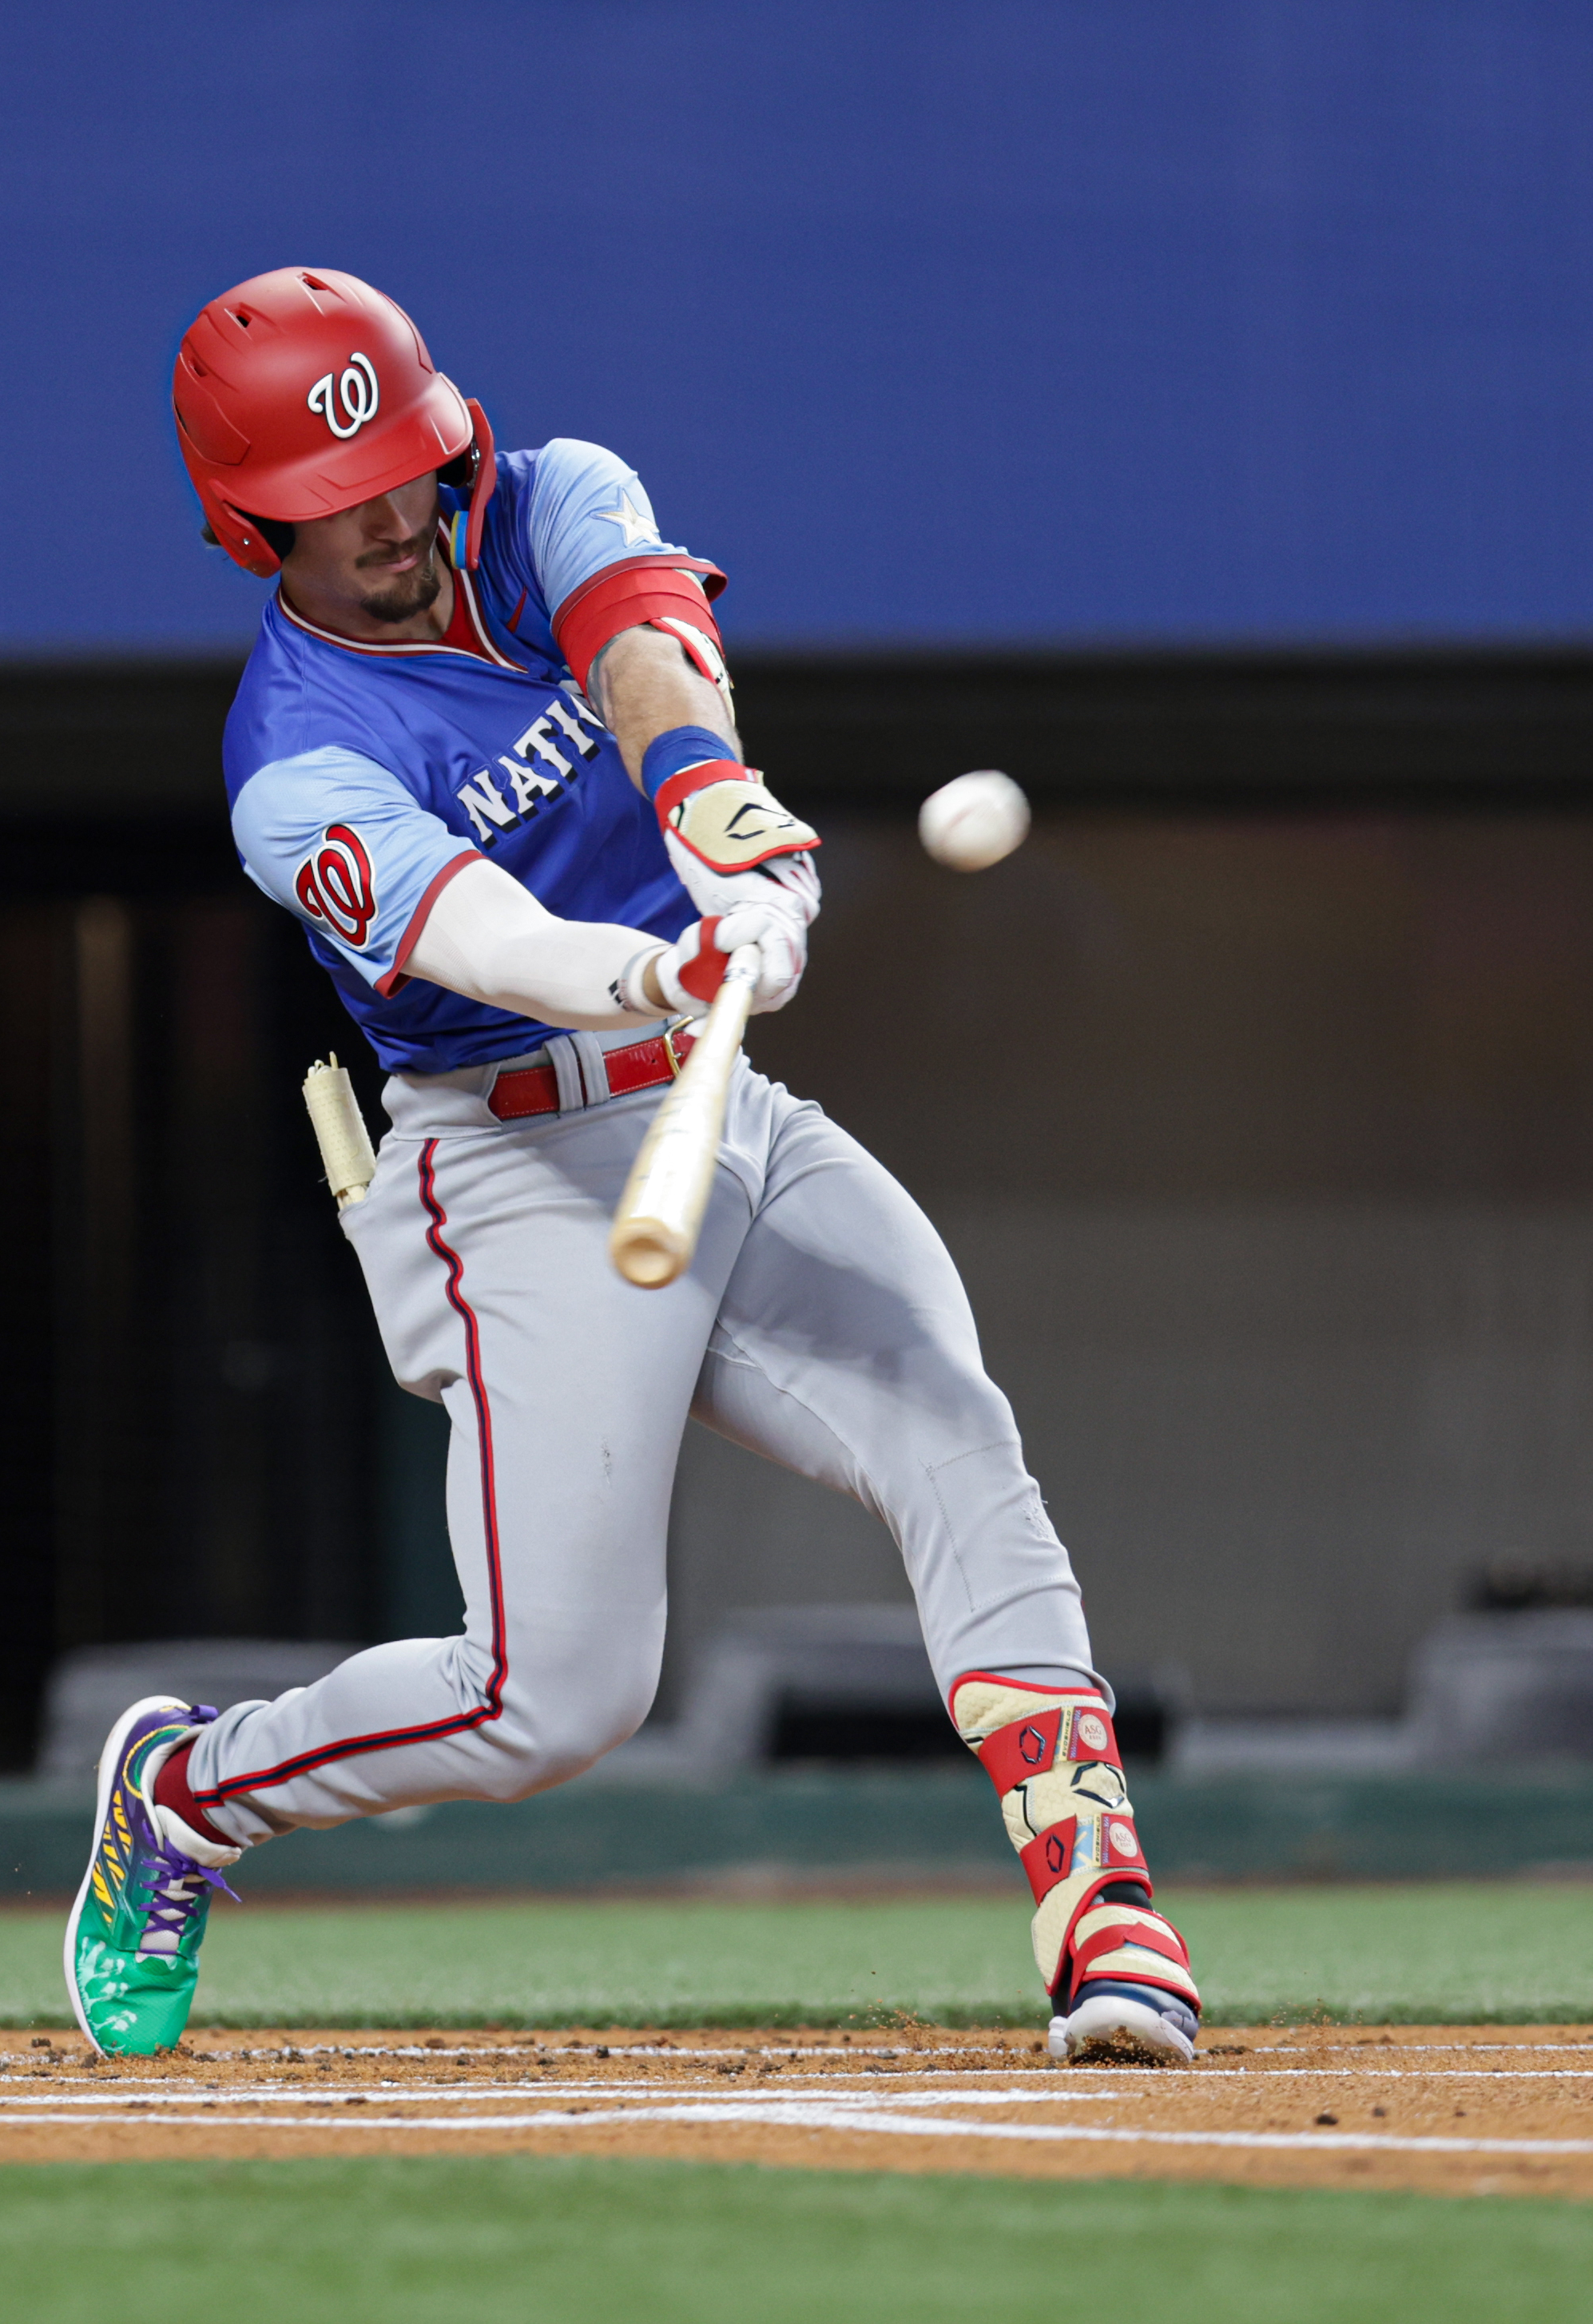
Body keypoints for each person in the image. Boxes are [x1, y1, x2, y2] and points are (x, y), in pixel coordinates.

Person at [66, 269, 1198, 2068]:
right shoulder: (291, 755)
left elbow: (645, 647)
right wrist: (651, 962)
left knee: (949, 1419)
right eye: (322, 501)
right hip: (511, 1158)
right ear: (244, 521)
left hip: (715, 1095)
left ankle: (1101, 1900)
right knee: (552, 1696)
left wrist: (721, 821)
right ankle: (189, 1788)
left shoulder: (543, 496)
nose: (383, 519)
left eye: (404, 469)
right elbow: (480, 931)